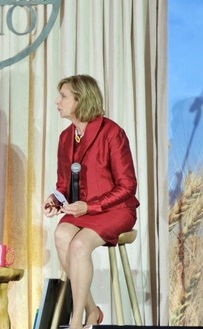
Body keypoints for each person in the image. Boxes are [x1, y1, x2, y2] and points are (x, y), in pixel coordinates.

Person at [43, 75, 139, 329]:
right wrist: (55, 200)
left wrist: (91, 207)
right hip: (84, 211)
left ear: (80, 99)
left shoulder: (112, 133)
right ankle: (92, 310)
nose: (58, 101)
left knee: (79, 245)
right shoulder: (66, 137)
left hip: (116, 209)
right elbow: (64, 184)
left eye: (63, 96)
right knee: (62, 234)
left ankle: (76, 321)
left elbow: (128, 186)